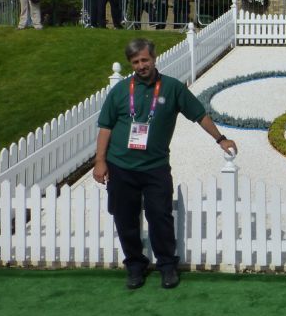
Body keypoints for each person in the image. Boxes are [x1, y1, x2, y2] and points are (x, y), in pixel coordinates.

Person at [93, 38, 237, 290]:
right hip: (121, 166)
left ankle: (167, 266)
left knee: (160, 217)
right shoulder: (120, 91)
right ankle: (135, 267)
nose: (141, 66)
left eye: (145, 60)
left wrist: (220, 139)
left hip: (155, 167)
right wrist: (100, 161)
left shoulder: (171, 88)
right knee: (125, 219)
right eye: (136, 62)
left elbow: (199, 114)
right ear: (131, 64)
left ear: (154, 58)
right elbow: (105, 127)